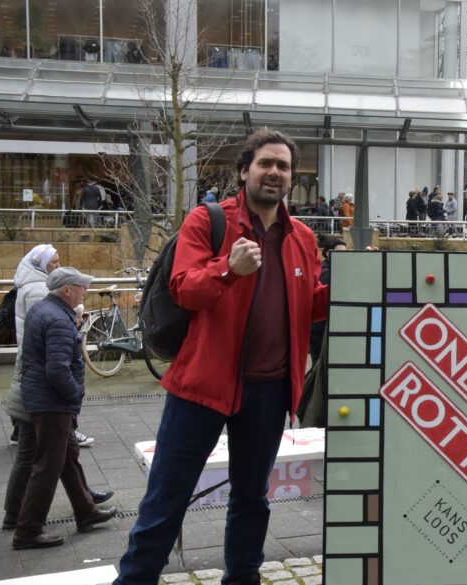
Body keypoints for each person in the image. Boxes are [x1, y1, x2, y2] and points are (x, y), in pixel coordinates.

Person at [114, 129, 330, 585]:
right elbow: (184, 288)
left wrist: (354, 287)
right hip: (202, 388)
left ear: (292, 177)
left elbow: (309, 304)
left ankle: (243, 578)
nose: (274, 172)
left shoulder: (303, 238)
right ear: (243, 171)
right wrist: (227, 270)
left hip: (270, 392)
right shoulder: (207, 221)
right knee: (166, 497)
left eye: (283, 166)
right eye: (265, 163)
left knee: (252, 497)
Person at [14, 267, 118, 549]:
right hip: (52, 404)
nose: (85, 291)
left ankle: (86, 513)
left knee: (68, 458)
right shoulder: (59, 320)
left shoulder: (44, 309)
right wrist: (74, 398)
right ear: (66, 290)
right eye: (81, 286)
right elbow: (58, 370)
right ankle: (28, 530)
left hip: (44, 399)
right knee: (47, 466)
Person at [309, 237, 346, 364]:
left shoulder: (334, 269)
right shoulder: (327, 272)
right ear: (329, 253)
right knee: (318, 365)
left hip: (325, 327)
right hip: (320, 329)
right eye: (340, 252)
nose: (344, 256)